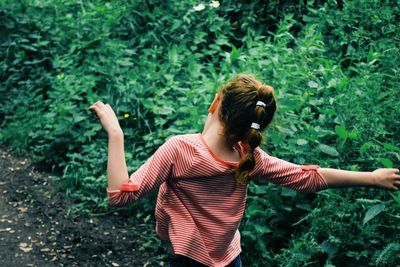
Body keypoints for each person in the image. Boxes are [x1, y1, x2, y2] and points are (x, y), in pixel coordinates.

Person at [89, 74, 399, 267]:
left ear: (216, 102)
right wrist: (371, 177)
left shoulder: (179, 149)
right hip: (230, 258)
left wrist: (116, 135)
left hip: (187, 259)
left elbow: (121, 195)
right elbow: (309, 177)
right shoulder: (249, 156)